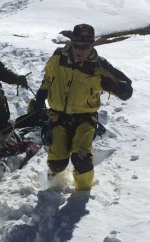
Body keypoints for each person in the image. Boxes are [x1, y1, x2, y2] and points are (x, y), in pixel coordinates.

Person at [34, 24, 133, 191]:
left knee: (82, 158)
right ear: (71, 43)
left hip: (85, 118)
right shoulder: (58, 57)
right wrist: (40, 96)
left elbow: (127, 91)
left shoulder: (100, 67)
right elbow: (49, 78)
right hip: (58, 116)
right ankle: (54, 184)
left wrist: (115, 87)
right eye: (76, 45)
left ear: (92, 45)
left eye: (85, 46)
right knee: (56, 163)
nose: (80, 50)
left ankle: (82, 194)